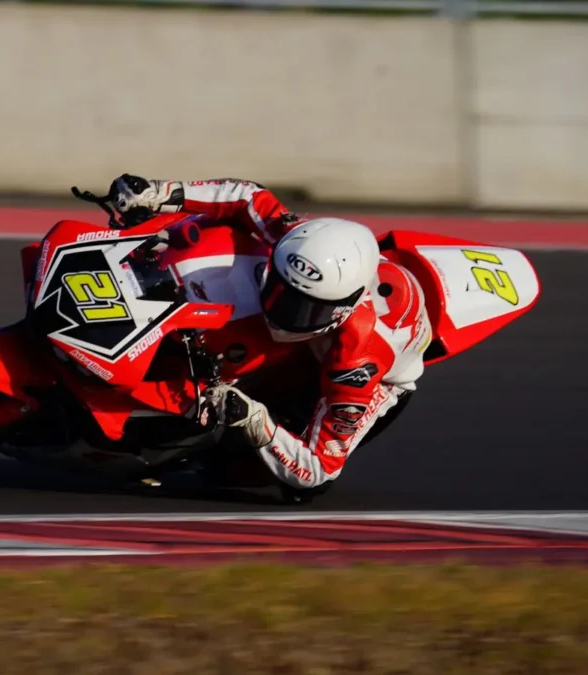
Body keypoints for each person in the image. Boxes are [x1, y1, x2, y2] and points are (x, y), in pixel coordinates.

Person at [107, 174, 432, 501]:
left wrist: (254, 420)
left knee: (252, 472)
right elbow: (246, 197)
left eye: (304, 309)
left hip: (368, 377)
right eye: (279, 289)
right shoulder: (297, 241)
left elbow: (319, 469)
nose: (282, 312)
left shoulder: (357, 363)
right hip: (312, 341)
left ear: (342, 310)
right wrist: (161, 193)